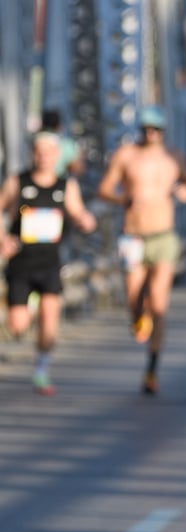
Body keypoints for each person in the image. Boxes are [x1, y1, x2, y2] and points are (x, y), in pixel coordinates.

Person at [97, 105, 186, 395]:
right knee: (134, 300)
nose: (150, 133)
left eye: (155, 129)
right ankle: (139, 318)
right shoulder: (126, 155)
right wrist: (123, 198)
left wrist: (183, 192)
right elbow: (104, 188)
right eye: (146, 128)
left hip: (163, 236)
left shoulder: (174, 157)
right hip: (133, 236)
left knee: (159, 303)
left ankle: (151, 369)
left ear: (162, 131)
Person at [0, 131, 97, 394]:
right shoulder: (17, 181)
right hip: (21, 262)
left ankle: (41, 370)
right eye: (38, 153)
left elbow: (78, 212)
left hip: (50, 262)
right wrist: (3, 239)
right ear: (32, 154)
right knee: (17, 326)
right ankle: (28, 304)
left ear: (56, 157)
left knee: (49, 320)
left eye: (48, 153)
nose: (43, 158)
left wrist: (85, 220)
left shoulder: (66, 186)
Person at [40, 109, 86, 177]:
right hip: (56, 184)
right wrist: (81, 155)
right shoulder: (67, 145)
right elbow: (77, 169)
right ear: (59, 126)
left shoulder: (34, 140)